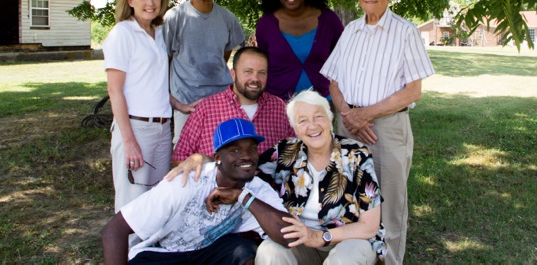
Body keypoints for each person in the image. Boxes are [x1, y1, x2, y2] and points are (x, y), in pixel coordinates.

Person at [168, 90, 385, 265]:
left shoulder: (356, 154)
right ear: (295, 128)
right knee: (270, 251)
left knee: (341, 261)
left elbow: (369, 226)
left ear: (329, 120)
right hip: (301, 241)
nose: (312, 126)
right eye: (303, 120)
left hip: (346, 240)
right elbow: (243, 167)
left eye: (318, 117)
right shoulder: (285, 152)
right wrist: (202, 158)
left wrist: (320, 237)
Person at [320, 0, 435, 265]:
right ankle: (353, 257)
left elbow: (413, 91)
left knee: (390, 204)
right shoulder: (350, 31)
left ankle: (390, 261)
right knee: (349, 197)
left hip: (386, 128)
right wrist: (347, 114)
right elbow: (333, 81)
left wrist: (365, 114)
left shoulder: (406, 31)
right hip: (349, 126)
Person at [101, 118, 291, 265]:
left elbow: (287, 235)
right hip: (163, 255)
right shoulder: (185, 183)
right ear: (217, 158)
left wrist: (242, 196)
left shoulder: (257, 189)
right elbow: (114, 231)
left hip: (207, 253)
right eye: (235, 150)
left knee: (243, 251)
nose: (247, 156)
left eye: (252, 149)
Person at [102, 0, 172, 213]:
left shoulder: (158, 33)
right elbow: (115, 90)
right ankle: (128, 251)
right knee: (133, 204)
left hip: (163, 127)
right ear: (130, 0)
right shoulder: (122, 33)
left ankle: (149, 251)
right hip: (136, 128)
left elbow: (150, 81)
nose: (150, 3)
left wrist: (178, 104)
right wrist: (129, 142)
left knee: (157, 199)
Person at [164, 0, 245, 146]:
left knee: (222, 151)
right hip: (186, 101)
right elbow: (164, 59)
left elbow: (226, 53)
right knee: (185, 153)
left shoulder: (227, 18)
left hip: (221, 100)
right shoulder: (175, 17)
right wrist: (172, 98)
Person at [173, 46, 295, 162]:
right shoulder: (207, 108)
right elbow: (180, 157)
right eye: (248, 71)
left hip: (269, 183)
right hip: (217, 183)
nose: (255, 78)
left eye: (262, 73)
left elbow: (298, 150)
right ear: (233, 74)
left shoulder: (279, 108)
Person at [255, 0, 343, 102]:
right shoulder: (266, 25)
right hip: (277, 105)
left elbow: (343, 58)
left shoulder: (329, 20)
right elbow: (262, 63)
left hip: (322, 105)